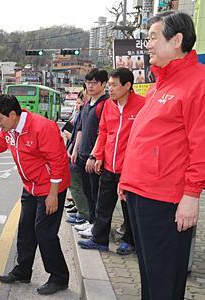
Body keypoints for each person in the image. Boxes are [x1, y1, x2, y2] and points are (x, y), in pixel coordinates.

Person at [119, 11, 205, 299]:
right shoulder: (159, 85)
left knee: (165, 280)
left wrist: (192, 195)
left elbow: (201, 144)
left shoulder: (198, 83)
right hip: (139, 193)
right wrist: (127, 180)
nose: (148, 45)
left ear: (177, 40)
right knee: (149, 275)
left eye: (154, 37)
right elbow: (145, 138)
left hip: (165, 198)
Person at [0, 94, 71, 296]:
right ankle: (23, 271)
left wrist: (53, 194)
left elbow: (58, 162)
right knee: (25, 230)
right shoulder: (10, 129)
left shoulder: (43, 127)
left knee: (44, 233)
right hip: (30, 187)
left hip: (51, 188)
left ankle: (59, 277)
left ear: (13, 114)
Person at [77, 68, 145, 254]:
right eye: (110, 84)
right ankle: (99, 240)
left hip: (129, 169)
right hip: (109, 166)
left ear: (127, 85)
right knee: (103, 204)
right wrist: (98, 156)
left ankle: (129, 241)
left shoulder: (143, 105)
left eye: (115, 85)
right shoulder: (109, 105)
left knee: (128, 208)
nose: (111, 89)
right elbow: (104, 132)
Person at [70, 68, 110, 228]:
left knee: (96, 193)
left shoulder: (106, 104)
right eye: (88, 82)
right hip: (81, 155)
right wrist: (75, 151)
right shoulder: (87, 103)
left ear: (104, 84)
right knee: (87, 191)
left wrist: (93, 156)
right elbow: (80, 129)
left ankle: (95, 224)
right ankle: (89, 221)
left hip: (93, 158)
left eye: (94, 82)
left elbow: (103, 133)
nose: (91, 86)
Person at [66, 91, 90, 229]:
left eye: (79, 102)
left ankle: (83, 213)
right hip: (73, 151)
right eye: (76, 102)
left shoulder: (85, 111)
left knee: (76, 186)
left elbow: (78, 133)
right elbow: (71, 131)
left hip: (77, 154)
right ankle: (81, 211)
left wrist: (73, 151)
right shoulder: (78, 113)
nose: (77, 104)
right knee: (76, 185)